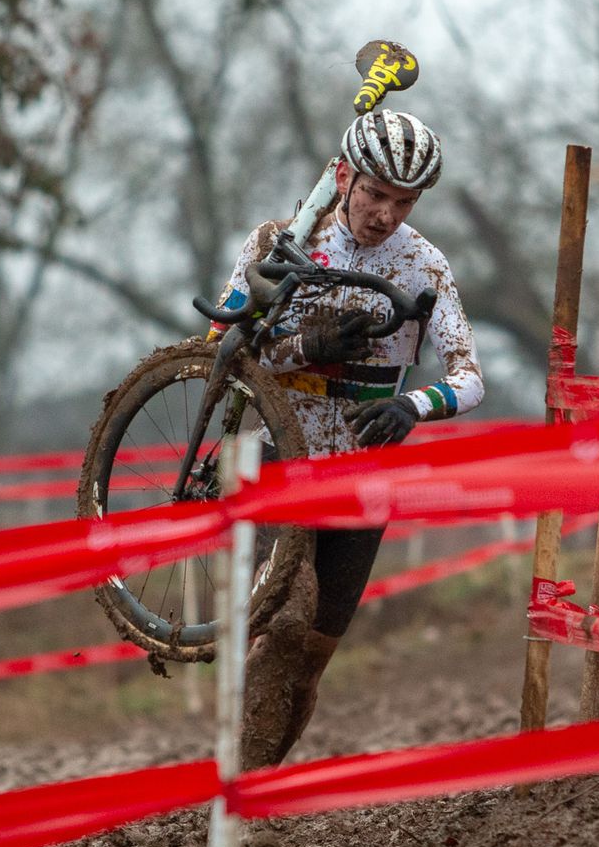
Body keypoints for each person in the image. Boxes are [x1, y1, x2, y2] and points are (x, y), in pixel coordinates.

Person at [207, 110, 484, 788]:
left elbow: (470, 377)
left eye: (403, 202)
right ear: (343, 176)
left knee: (309, 662)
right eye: (374, 194)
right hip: (277, 456)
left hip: (362, 482)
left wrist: (411, 405)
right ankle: (242, 804)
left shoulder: (425, 264)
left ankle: (256, 785)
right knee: (287, 618)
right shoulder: (278, 241)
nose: (384, 214)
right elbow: (221, 343)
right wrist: (309, 346)